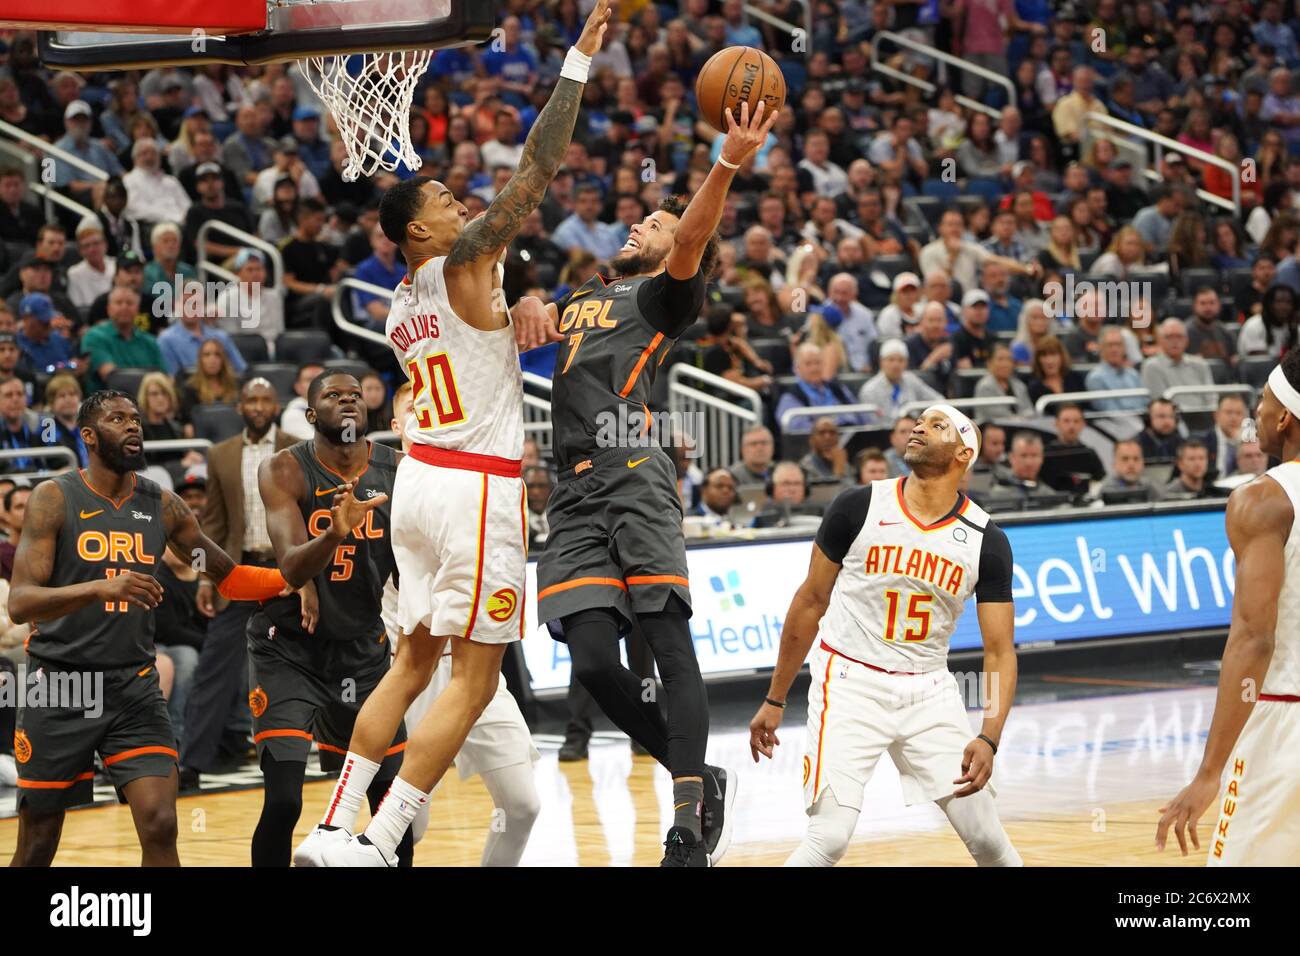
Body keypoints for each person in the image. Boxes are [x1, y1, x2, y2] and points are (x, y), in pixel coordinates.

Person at [308, 0, 613, 869]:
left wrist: (518, 300)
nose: (459, 199)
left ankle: (333, 826)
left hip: (418, 483)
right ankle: (380, 841)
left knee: (408, 665)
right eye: (444, 198)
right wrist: (575, 68)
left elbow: (474, 334)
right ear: (420, 233)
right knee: (475, 679)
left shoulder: (403, 303)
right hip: (477, 487)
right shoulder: (465, 258)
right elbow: (536, 173)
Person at [518, 38, 763, 868]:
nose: (638, 223)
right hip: (573, 493)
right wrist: (523, 296)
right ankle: (699, 772)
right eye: (641, 218)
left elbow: (691, 238)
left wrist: (723, 168)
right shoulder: (583, 295)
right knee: (589, 658)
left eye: (650, 222)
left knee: (668, 647)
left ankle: (686, 821)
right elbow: (519, 302)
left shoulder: (666, 294)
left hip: (636, 475)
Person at [7, 390, 302, 866]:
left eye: (136, 419)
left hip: (134, 687)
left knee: (162, 824)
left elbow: (227, 575)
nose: (133, 427)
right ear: (88, 436)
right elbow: (21, 602)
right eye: (118, 419)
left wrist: (293, 576)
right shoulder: (53, 497)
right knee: (39, 839)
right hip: (62, 684)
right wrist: (100, 589)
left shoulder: (162, 505)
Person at [749, 405, 1021, 867]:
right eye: (920, 420)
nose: (919, 427)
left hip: (929, 690)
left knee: (989, 839)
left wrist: (989, 736)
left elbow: (999, 650)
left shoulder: (984, 539)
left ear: (962, 453)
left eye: (937, 425)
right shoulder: (858, 505)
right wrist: (775, 699)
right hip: (849, 680)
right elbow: (810, 602)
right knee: (828, 838)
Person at [247, 371, 411, 867]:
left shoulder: (401, 470)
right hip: (289, 649)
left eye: (355, 395)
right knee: (283, 800)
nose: (347, 401)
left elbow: (410, 567)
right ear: (312, 415)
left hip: (361, 650)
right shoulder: (283, 469)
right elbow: (292, 564)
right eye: (332, 395)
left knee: (389, 809)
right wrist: (334, 534)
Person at [1158, 354, 1300, 864]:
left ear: (1284, 415)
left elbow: (1253, 639)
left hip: (1286, 720)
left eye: (1263, 400)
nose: (1256, 412)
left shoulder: (1263, 500)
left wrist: (1209, 771)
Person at [179, 379, 296, 787]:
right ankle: (191, 763)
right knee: (215, 667)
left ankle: (336, 753)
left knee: (316, 660)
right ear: (240, 405)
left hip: (288, 571)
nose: (260, 406)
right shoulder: (221, 454)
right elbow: (212, 521)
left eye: (266, 399)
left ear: (276, 404)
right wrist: (204, 578)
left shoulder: (298, 447)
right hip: (239, 570)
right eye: (252, 400)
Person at [857, 338, 940, 425]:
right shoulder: (869, 390)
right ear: (881, 362)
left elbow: (937, 400)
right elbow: (871, 425)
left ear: (906, 363)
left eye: (900, 360)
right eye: (891, 360)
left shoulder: (911, 380)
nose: (896, 365)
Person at [1039, 404, 1106, 498]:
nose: (1071, 425)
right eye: (1066, 421)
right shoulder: (1046, 454)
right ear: (1057, 423)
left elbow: (1099, 480)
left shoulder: (1088, 453)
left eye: (1076, 421)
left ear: (1083, 424)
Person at [973, 343, 1034, 416]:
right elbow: (995, 415)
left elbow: (1029, 410)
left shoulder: (1019, 385)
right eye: (1000, 359)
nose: (1005, 364)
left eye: (1009, 359)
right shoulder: (984, 386)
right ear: (989, 363)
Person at [729, 424, 775, 490]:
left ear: (772, 447)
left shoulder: (782, 474)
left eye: (764, 443)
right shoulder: (732, 477)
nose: (760, 448)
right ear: (742, 449)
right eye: (753, 444)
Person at [1139, 398, 1184, 462]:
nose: (1167, 421)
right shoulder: (1134, 446)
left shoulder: (1183, 444)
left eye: (1171, 416)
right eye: (1161, 416)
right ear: (1148, 419)